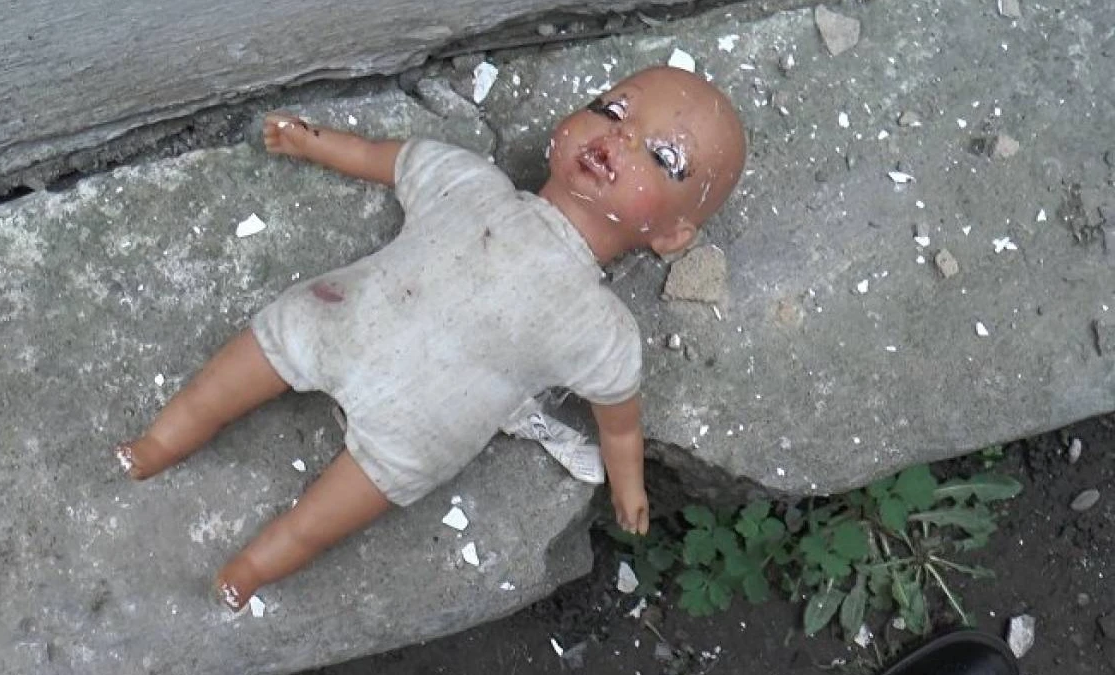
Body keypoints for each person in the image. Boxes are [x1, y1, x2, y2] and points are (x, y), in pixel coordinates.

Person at [114, 65, 747, 612]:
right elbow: (380, 158)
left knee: (320, 520)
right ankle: (160, 441)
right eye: (611, 110)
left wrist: (629, 486)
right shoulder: (472, 182)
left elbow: (620, 424)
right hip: (343, 318)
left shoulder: (601, 329)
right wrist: (311, 141)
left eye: (662, 158)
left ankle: (253, 568)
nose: (620, 139)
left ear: (672, 235)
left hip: (425, 425)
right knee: (251, 359)